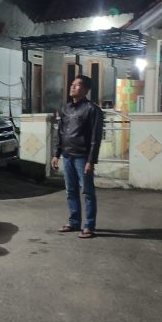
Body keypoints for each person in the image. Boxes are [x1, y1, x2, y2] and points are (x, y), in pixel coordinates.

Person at [51, 75, 103, 239]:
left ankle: (89, 226)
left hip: (82, 157)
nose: (72, 87)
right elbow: (60, 133)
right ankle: (74, 222)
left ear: (86, 90)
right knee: (71, 191)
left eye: (77, 85)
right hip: (67, 156)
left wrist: (91, 160)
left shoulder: (92, 109)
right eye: (72, 84)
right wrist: (56, 154)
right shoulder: (65, 109)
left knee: (87, 192)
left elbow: (95, 137)